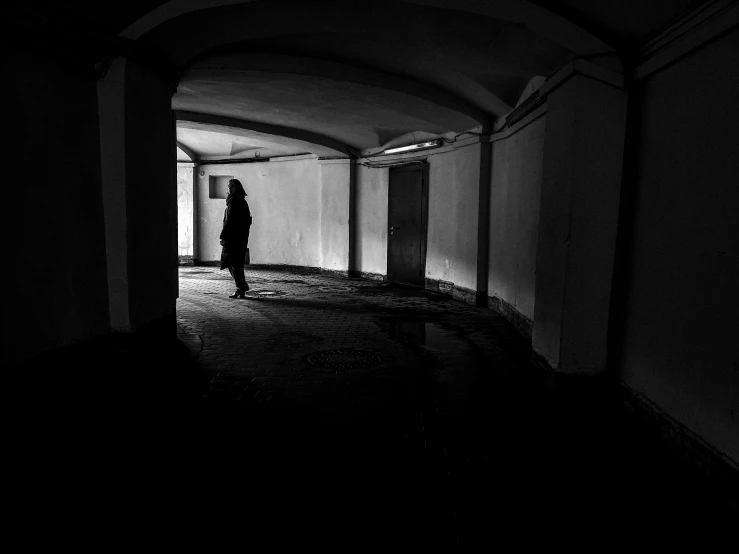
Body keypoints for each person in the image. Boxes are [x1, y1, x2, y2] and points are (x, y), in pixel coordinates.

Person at [219, 179, 252, 298]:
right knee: (236, 264)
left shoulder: (234, 202)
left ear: (233, 188)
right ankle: (241, 287)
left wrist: (223, 235)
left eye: (229, 186)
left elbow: (229, 221)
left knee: (233, 263)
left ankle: (241, 286)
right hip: (240, 238)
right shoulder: (241, 201)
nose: (228, 189)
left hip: (233, 239)